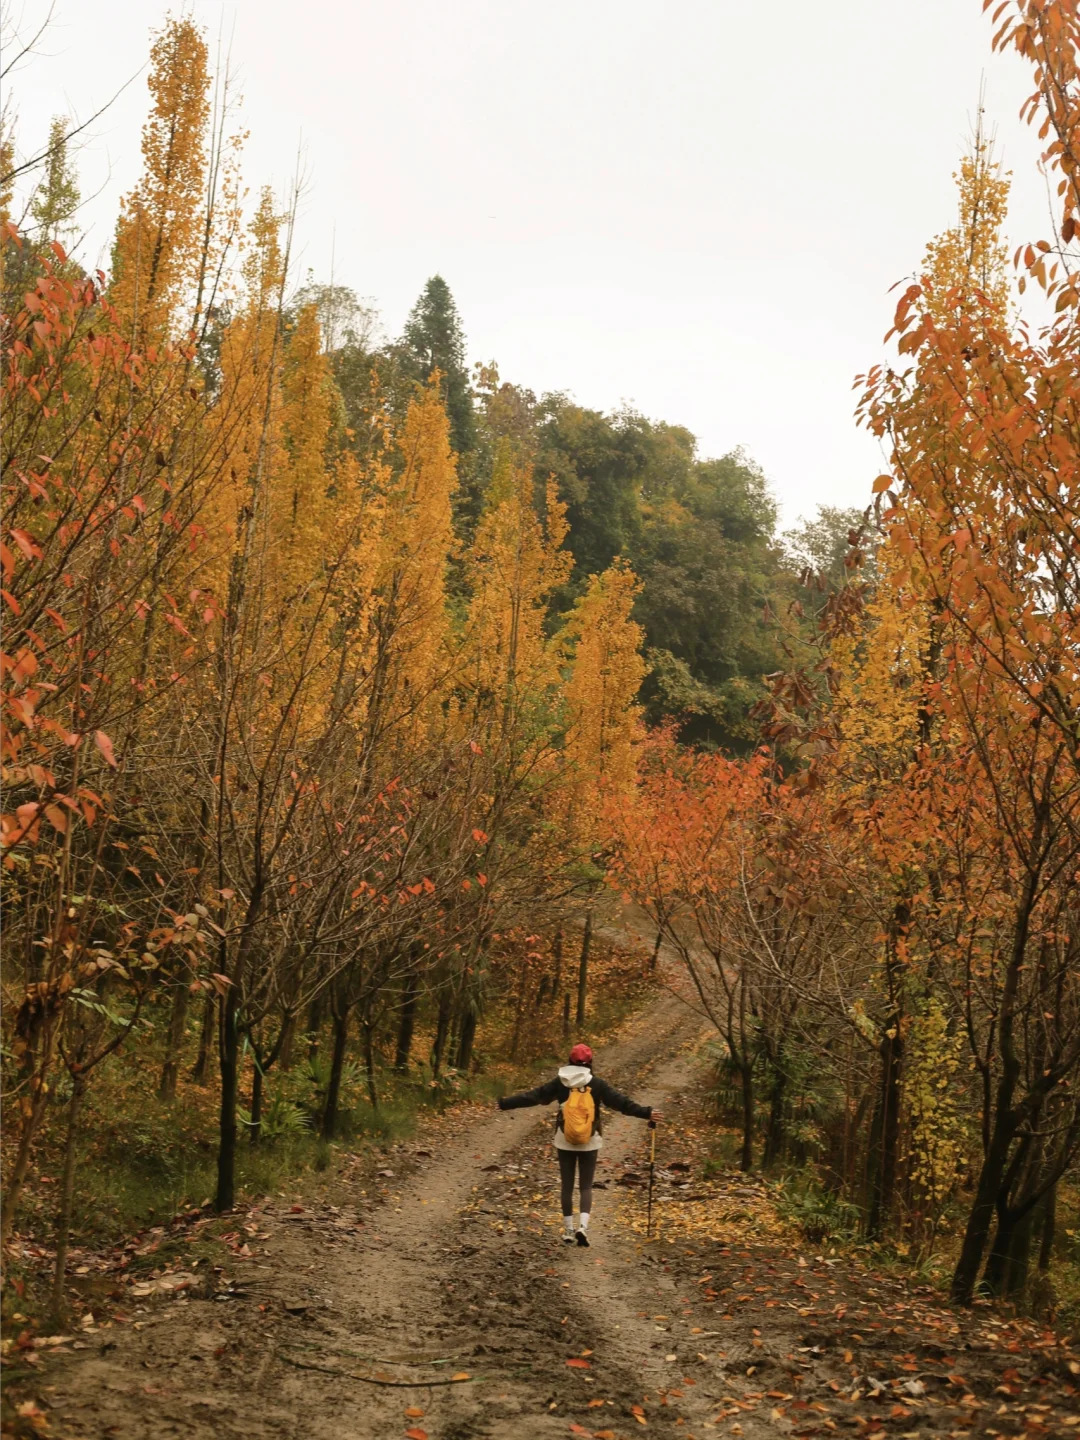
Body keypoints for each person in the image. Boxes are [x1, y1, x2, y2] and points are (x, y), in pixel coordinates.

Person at [497, 1042, 660, 1246]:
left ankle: (568, 1230)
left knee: (567, 1186)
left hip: (564, 1139)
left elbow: (533, 1097)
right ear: (590, 1062)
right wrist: (646, 1112)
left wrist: (504, 1103)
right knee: (585, 1186)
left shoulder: (560, 1082)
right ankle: (583, 1227)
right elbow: (622, 1103)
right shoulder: (597, 1084)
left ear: (570, 1060)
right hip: (590, 1141)